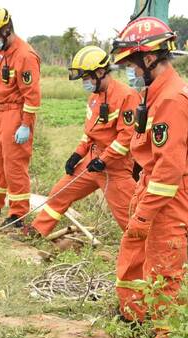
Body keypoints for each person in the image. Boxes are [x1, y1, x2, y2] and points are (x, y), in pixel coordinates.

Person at [110, 17, 188, 338]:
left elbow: (168, 171)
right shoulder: (156, 92)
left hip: (167, 197)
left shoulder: (172, 98)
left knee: (164, 269)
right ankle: (132, 317)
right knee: (135, 254)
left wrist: (145, 214)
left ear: (149, 58)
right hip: (151, 188)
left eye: (133, 65)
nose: (131, 72)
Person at [30, 46, 139, 237]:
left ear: (100, 72)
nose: (85, 82)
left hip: (115, 168)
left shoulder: (127, 96)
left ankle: (145, 256)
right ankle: (36, 231)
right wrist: (77, 154)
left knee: (130, 217)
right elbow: (89, 133)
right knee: (59, 193)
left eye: (87, 77)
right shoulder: (93, 99)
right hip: (92, 161)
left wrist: (104, 160)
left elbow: (126, 138)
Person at [0, 7, 41, 229]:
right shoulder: (1, 53)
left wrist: (25, 125)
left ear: (6, 30)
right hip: (0, 112)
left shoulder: (25, 56)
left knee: (14, 165)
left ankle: (18, 213)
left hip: (16, 113)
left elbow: (32, 97)